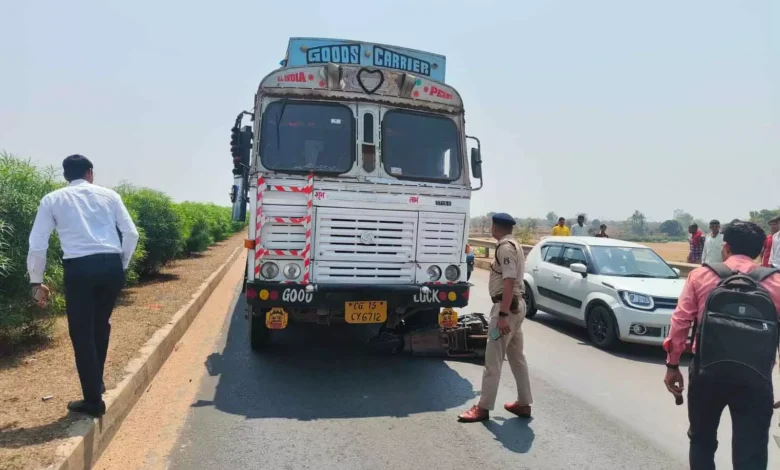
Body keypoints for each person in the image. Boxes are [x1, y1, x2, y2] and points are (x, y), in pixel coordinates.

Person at [662, 221, 780, 469]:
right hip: (756, 379)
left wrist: (672, 365)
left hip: (707, 373)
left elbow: (680, 322)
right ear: (760, 252)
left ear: (725, 247)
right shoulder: (775, 283)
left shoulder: (701, 275)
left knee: (702, 440)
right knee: (752, 449)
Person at [27, 155, 139, 417]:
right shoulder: (110, 196)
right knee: (101, 324)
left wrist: (36, 280)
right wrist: (121, 264)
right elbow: (131, 233)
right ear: (90, 173)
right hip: (111, 265)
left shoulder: (52, 199)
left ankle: (93, 401)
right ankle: (96, 382)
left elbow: (38, 243)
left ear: (66, 175)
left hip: (79, 269)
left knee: (81, 332)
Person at [458, 213, 532, 422]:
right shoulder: (515, 244)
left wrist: (501, 315)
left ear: (495, 227)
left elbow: (508, 281)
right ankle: (524, 403)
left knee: (493, 359)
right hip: (517, 308)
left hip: (506, 309)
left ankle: (483, 407)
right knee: (517, 357)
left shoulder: (505, 247)